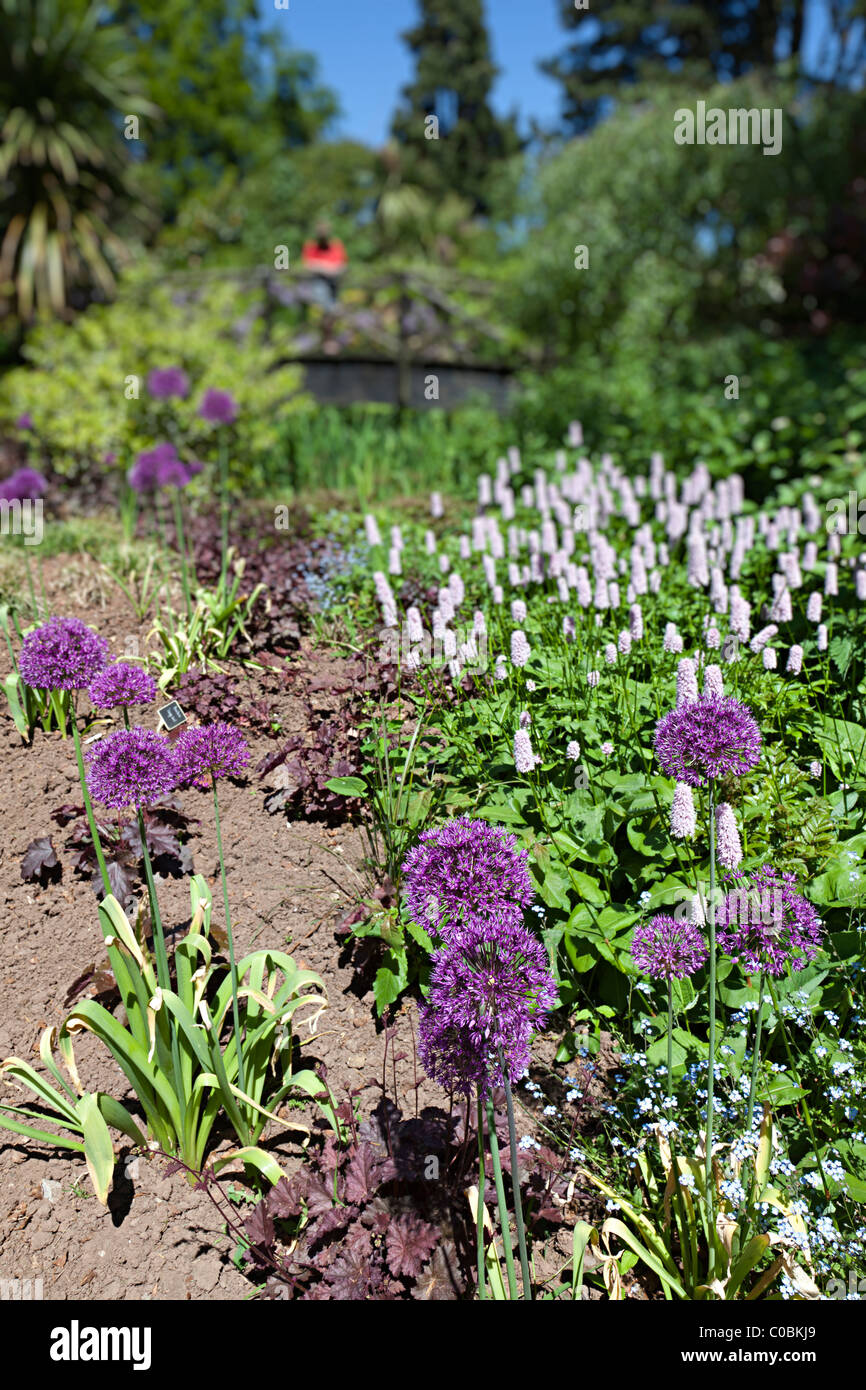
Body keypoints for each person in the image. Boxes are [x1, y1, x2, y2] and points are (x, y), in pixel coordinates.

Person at [300, 221, 347, 309]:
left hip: (334, 283)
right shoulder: (311, 245)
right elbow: (308, 266)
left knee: (335, 305)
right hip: (316, 283)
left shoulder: (336, 245)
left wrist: (319, 265)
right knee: (320, 293)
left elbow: (340, 267)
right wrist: (328, 268)